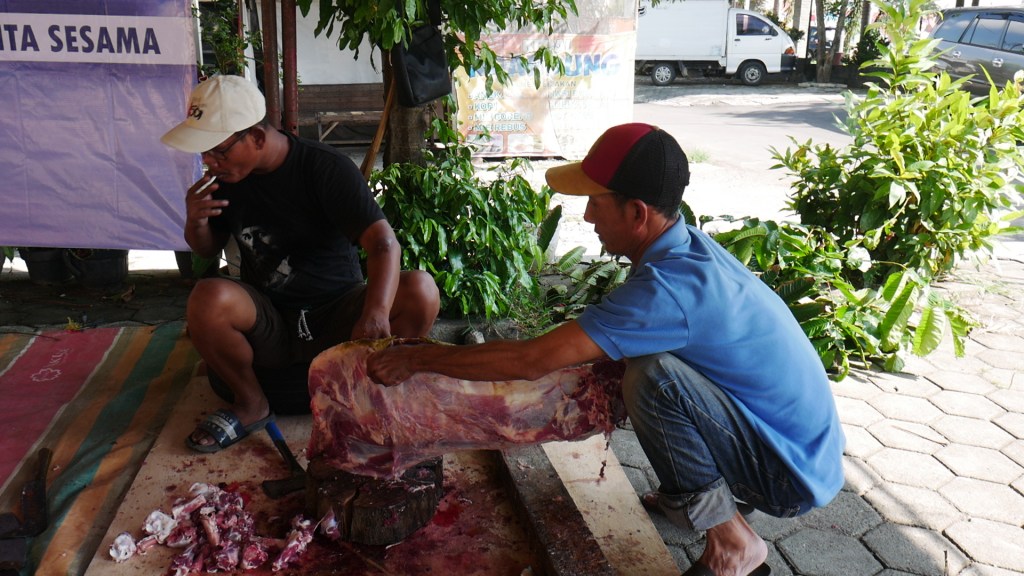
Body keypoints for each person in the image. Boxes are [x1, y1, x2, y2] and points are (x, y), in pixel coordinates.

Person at [367, 123, 845, 576]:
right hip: (797, 447)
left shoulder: (667, 290)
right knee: (638, 359)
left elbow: (532, 360)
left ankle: (733, 542)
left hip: (786, 475)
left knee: (654, 378)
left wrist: (418, 357)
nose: (588, 215)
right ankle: (714, 496)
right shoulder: (683, 246)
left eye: (596, 203)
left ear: (637, 212)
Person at [161, 75, 439, 453]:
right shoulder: (225, 178)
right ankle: (251, 404)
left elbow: (384, 244)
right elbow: (207, 249)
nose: (208, 161)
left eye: (217, 150)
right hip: (271, 318)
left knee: (420, 290)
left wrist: (374, 313)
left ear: (257, 138)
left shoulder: (325, 168)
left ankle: (367, 398)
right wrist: (194, 221)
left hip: (339, 314)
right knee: (208, 297)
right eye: (204, 152)